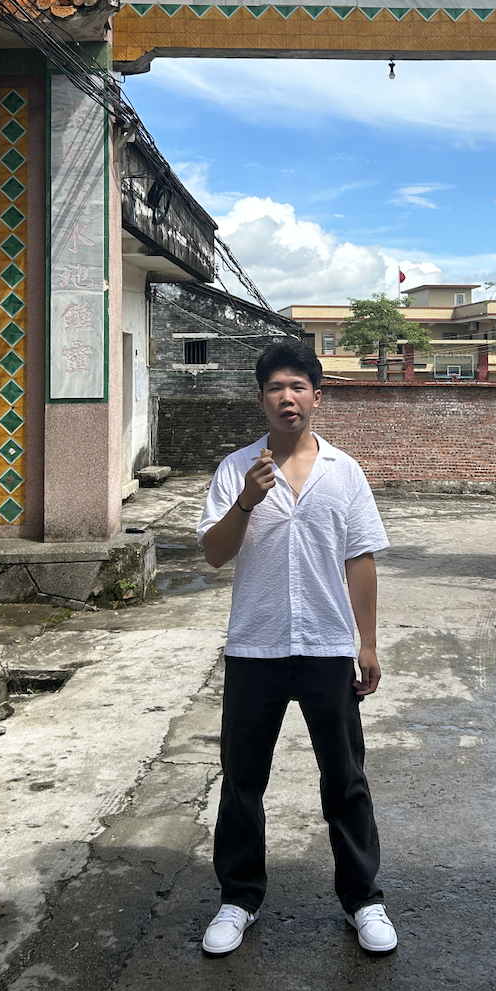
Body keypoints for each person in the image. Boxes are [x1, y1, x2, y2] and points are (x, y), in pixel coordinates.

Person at [197, 340, 397, 956]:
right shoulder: (237, 470)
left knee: (345, 779)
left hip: (327, 647)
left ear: (317, 394)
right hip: (256, 648)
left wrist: (368, 643)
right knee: (243, 780)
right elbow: (213, 553)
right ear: (260, 399)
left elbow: (359, 558)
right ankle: (238, 898)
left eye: (299, 386)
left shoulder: (345, 471)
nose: (288, 398)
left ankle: (363, 901)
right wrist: (247, 501)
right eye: (276, 388)